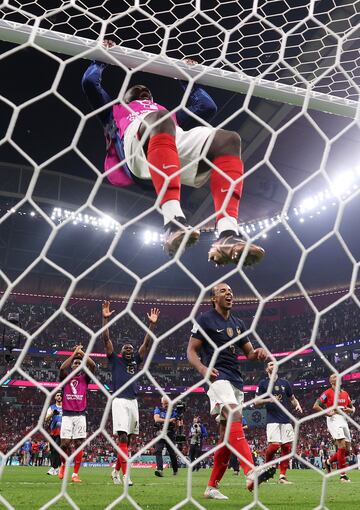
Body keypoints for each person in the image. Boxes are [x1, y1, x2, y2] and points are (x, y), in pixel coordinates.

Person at [82, 40, 265, 266]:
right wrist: (102, 58)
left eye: (147, 93)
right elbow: (90, 82)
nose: (143, 92)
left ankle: (227, 233)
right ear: (125, 98)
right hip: (136, 154)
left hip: (168, 143)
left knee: (228, 140)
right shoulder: (114, 111)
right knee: (160, 120)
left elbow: (207, 107)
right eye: (136, 91)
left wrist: (187, 79)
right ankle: (173, 222)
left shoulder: (168, 116)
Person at [187, 282, 274, 500]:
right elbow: (191, 350)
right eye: (223, 291)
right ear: (213, 298)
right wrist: (203, 369)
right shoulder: (205, 319)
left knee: (225, 438)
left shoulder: (238, 323)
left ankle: (210, 487)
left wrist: (259, 353)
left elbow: (250, 354)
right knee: (235, 414)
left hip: (236, 380)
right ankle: (250, 471)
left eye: (230, 290)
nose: (229, 293)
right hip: (218, 378)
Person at [102, 301, 160, 486]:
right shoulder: (115, 361)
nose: (129, 350)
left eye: (130, 349)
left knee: (130, 440)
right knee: (123, 438)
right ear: (120, 352)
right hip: (119, 400)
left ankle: (115, 471)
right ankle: (127, 476)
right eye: (125, 348)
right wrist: (105, 320)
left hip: (133, 402)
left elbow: (147, 343)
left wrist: (152, 324)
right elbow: (106, 340)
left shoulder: (135, 361)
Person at [255, 361, 302, 484]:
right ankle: (266, 468)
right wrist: (269, 399)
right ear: (267, 369)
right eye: (270, 364)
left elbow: (292, 398)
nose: (273, 366)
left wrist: (298, 405)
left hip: (286, 419)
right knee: (275, 446)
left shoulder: (285, 383)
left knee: (286, 447)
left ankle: (282, 476)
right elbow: (256, 402)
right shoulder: (263, 383)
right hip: (272, 418)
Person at [58, 344, 96, 483]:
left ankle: (75, 474)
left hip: (80, 415)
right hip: (67, 415)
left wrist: (82, 353)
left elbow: (93, 367)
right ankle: (63, 465)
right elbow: (62, 368)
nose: (77, 364)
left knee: (79, 444)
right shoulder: (65, 378)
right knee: (64, 444)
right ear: (72, 365)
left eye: (80, 363)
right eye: (75, 363)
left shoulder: (85, 378)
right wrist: (75, 353)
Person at [313, 373, 355, 483]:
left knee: (347, 451)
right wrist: (327, 413)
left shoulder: (345, 394)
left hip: (343, 420)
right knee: (341, 445)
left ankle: (328, 462)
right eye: (334, 377)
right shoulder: (327, 393)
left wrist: (350, 410)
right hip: (333, 420)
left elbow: (352, 407)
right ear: (331, 381)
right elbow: (316, 405)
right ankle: (343, 475)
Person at [153, 396, 180, 477]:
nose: (165, 405)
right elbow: (156, 419)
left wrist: (177, 422)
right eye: (164, 404)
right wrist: (169, 420)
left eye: (167, 403)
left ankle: (175, 470)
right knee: (158, 451)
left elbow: (177, 423)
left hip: (170, 434)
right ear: (162, 403)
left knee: (172, 453)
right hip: (160, 433)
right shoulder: (158, 409)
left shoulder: (174, 411)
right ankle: (160, 470)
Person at [44, 390, 63, 476]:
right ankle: (57, 468)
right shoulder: (51, 407)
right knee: (52, 451)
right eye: (57, 395)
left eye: (60, 395)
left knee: (56, 449)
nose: (59, 397)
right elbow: (46, 419)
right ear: (55, 397)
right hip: (53, 432)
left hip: (62, 432)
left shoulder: (66, 407)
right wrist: (52, 413)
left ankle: (53, 468)